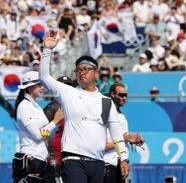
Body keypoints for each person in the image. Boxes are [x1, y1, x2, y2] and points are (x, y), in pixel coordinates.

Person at [39, 30, 129, 183]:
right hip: (73, 160)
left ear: (96, 74)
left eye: (86, 69)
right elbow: (44, 77)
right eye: (79, 70)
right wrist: (47, 49)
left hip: (98, 162)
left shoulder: (106, 102)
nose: (81, 73)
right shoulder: (67, 92)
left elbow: (117, 136)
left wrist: (124, 159)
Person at [12, 71, 64, 183]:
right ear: (29, 86)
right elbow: (36, 135)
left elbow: (45, 135)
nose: (42, 87)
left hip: (39, 159)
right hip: (31, 158)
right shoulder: (24, 106)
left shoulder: (35, 106)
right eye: (39, 84)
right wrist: (55, 121)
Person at [104, 83, 144, 183]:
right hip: (108, 163)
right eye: (121, 95)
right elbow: (102, 146)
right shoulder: (104, 114)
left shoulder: (121, 116)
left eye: (126, 95)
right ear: (112, 94)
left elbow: (124, 137)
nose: (124, 98)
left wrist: (133, 139)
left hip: (121, 163)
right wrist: (122, 140)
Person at [42, 75, 75, 182]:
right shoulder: (52, 108)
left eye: (69, 86)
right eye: (63, 85)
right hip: (55, 160)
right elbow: (42, 133)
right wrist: (51, 157)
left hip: (69, 158)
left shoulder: (72, 106)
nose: (66, 88)